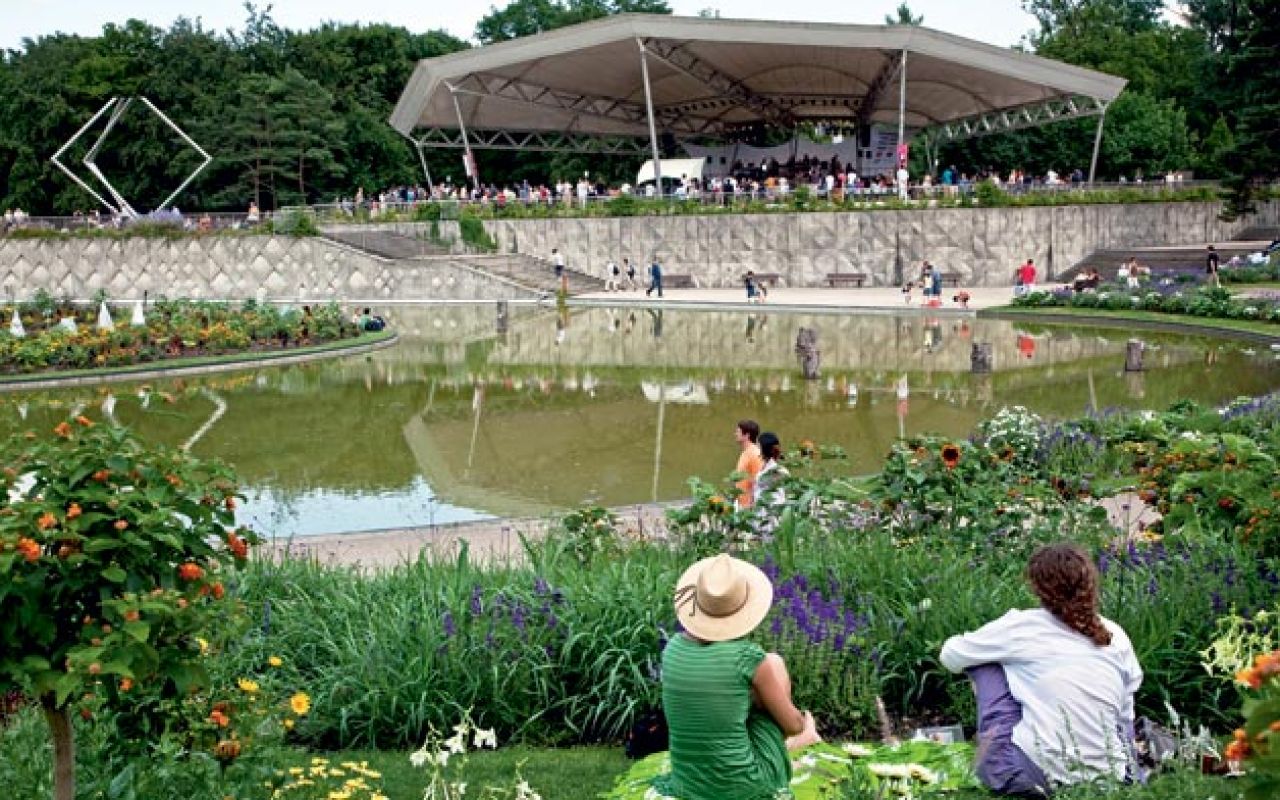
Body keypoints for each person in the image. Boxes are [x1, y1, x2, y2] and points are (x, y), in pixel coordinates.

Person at [940, 543, 1143, 795]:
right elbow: (1125, 714)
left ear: (1037, 587)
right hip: (1110, 775)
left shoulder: (1021, 626)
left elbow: (951, 655)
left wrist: (1006, 657)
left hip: (1034, 776)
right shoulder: (1116, 635)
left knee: (986, 663)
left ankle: (992, 757)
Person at [653, 554, 821, 800]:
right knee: (775, 663)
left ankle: (784, 746)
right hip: (744, 787)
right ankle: (795, 744)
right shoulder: (748, 658)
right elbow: (792, 725)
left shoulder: (672, 649)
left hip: (688, 784)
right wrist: (804, 722)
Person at [733, 419, 763, 510]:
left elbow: (759, 480)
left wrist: (752, 505)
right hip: (741, 503)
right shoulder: (746, 452)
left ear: (747, 435)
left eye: (738, 431)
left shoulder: (754, 454)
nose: (735, 434)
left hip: (749, 507)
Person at [754, 432, 789, 506]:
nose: (756, 448)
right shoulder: (770, 467)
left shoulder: (776, 470)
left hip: (769, 511)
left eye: (758, 446)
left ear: (763, 449)